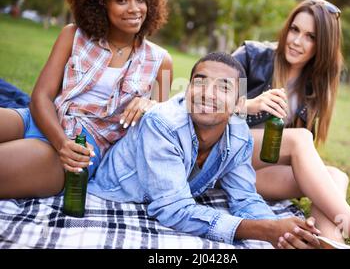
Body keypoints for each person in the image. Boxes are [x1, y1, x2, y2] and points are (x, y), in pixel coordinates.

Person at [88, 52, 323, 248]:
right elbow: (174, 210)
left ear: (239, 104)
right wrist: (266, 229)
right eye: (200, 82)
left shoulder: (239, 136)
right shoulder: (162, 124)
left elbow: (244, 198)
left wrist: (284, 234)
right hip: (120, 193)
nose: (207, 94)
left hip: (170, 194)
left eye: (223, 88)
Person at [0, 0, 172, 199]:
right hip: (39, 121)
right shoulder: (73, 36)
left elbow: (163, 128)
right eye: (121, 0)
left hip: (81, 150)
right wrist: (61, 141)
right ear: (100, 2)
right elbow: (40, 97)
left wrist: (151, 105)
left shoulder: (160, 61)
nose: (134, 9)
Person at [232, 0, 350, 248]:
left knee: (336, 176)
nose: (296, 41)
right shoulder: (252, 55)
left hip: (255, 176)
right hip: (224, 163)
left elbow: (296, 160)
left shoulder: (314, 86)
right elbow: (201, 100)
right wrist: (250, 104)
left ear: (322, 45)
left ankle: (329, 243)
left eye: (310, 36)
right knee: (300, 139)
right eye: (294, 29)